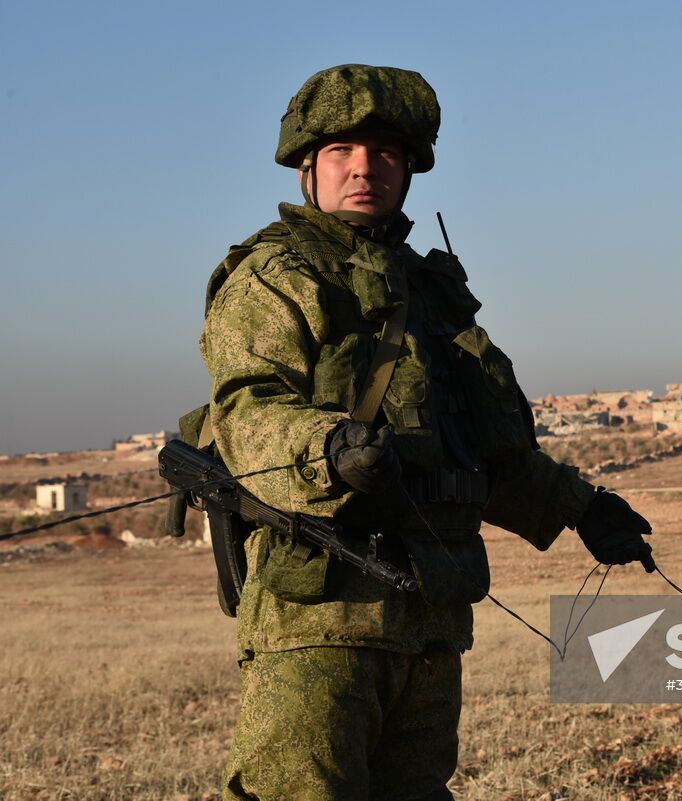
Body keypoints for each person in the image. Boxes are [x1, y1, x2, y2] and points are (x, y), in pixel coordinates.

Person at [199, 64, 654, 801]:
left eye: (384, 154)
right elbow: (248, 413)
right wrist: (327, 448)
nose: (364, 169)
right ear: (308, 165)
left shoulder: (433, 294)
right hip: (321, 620)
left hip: (431, 621)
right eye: (343, 152)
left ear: (410, 168)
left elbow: (484, 450)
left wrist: (581, 507)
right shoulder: (277, 276)